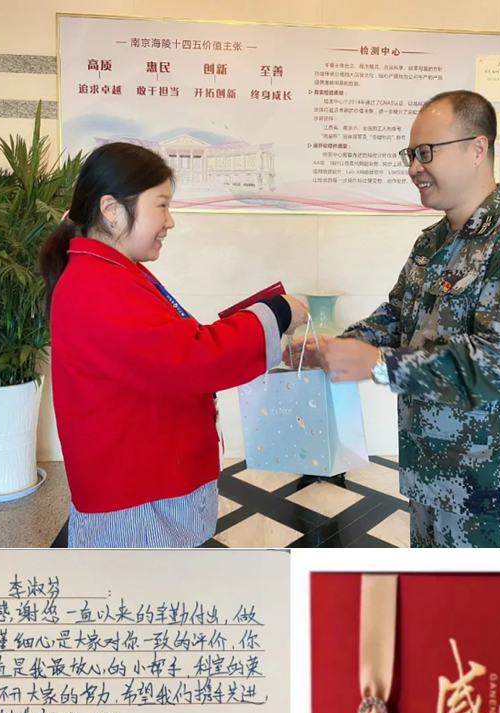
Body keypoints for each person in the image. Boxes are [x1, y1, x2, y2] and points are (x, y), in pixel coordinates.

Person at [288, 90, 500, 548]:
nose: (414, 167)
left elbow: (496, 366)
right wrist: (338, 347)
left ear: (477, 149)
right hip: (431, 474)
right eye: (411, 154)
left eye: (426, 152)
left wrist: (379, 364)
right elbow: (398, 316)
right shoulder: (432, 241)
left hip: (492, 491)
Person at [39, 141, 308, 548]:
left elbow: (169, 346)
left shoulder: (109, 271)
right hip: (137, 499)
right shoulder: (96, 285)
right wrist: (276, 313)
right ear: (112, 210)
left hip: (144, 481)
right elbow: (192, 357)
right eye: (162, 205)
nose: (170, 221)